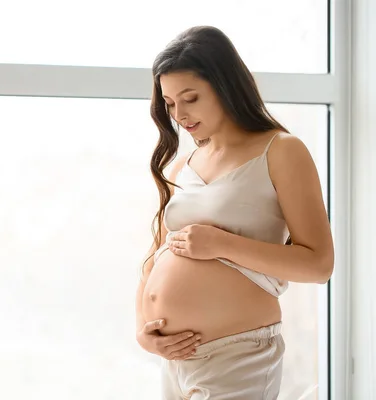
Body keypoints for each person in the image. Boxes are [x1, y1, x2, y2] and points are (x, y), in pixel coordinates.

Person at [135, 26, 334, 399]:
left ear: (224, 86)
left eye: (190, 98)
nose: (179, 114)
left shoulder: (282, 151)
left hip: (237, 355)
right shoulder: (184, 166)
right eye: (170, 103)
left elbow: (319, 264)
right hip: (175, 362)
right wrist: (144, 332)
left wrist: (221, 244)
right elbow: (154, 258)